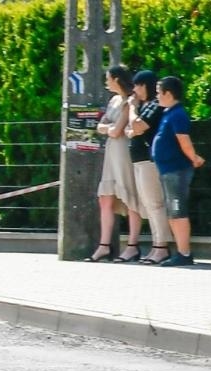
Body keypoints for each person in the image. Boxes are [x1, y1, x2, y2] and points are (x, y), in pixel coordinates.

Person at [151, 76, 206, 267]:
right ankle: (181, 252)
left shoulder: (178, 114)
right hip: (168, 170)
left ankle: (184, 253)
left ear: (168, 93)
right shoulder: (169, 113)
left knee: (178, 210)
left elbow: (184, 141)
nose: (157, 96)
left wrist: (194, 158)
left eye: (159, 92)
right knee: (173, 212)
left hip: (176, 170)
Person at [89, 66, 140, 262]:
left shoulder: (131, 100)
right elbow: (101, 126)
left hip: (124, 151)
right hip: (111, 151)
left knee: (130, 197)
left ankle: (132, 245)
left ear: (117, 79)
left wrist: (108, 128)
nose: (106, 82)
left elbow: (116, 130)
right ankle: (104, 245)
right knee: (105, 198)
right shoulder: (114, 100)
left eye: (108, 78)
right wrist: (109, 128)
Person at [127, 70, 173, 264]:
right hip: (139, 160)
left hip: (149, 160)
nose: (134, 90)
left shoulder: (154, 105)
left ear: (144, 85)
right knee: (148, 203)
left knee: (155, 203)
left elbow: (137, 127)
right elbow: (132, 129)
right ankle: (156, 245)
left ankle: (161, 246)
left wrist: (131, 108)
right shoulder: (145, 106)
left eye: (137, 86)